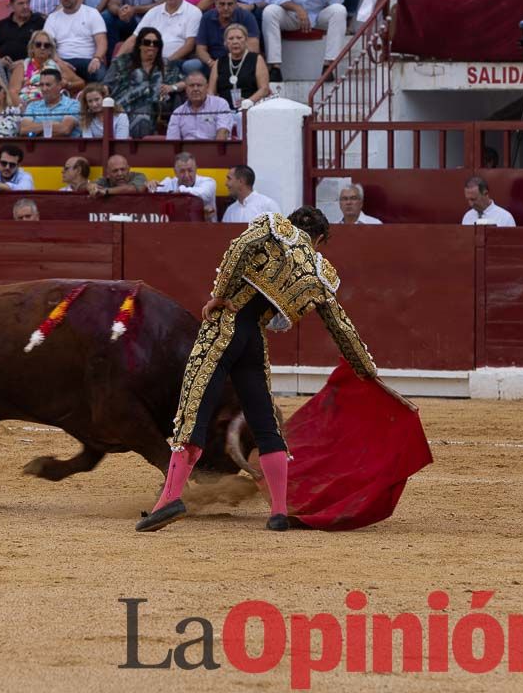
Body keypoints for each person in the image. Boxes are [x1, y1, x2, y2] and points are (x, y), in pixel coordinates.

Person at [134, 206, 377, 533]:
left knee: (194, 411)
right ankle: (278, 510)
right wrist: (367, 370)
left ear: (292, 222)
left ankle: (169, 500)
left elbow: (239, 247)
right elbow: (342, 328)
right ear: (319, 238)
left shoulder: (274, 226)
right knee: (265, 423)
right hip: (253, 341)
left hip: (223, 328)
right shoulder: (320, 273)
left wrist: (218, 297)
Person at [103, 26, 184, 138]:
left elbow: (185, 83)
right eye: (147, 42)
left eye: (156, 43)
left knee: (145, 112)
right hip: (125, 107)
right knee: (142, 113)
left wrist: (172, 87)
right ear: (139, 45)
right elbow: (106, 85)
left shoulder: (166, 65)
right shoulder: (122, 62)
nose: (151, 46)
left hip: (157, 110)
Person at [122, 0, 202, 72]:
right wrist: (116, 60)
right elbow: (134, 38)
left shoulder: (194, 12)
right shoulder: (153, 11)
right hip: (147, 60)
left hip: (175, 62)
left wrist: (166, 62)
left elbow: (189, 45)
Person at [44, 0, 108, 82]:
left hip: (88, 60)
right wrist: (59, 62)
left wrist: (97, 58)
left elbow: (102, 42)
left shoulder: (92, 13)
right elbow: (48, 47)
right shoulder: (52, 18)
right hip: (62, 61)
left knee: (99, 72)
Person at [208, 22, 270, 117]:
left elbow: (264, 89)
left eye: (239, 38)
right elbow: (211, 91)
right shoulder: (219, 62)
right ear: (226, 42)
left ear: (246, 40)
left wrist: (248, 102)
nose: (235, 42)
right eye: (231, 39)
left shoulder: (256, 59)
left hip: (250, 109)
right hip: (224, 111)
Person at [9, 29, 82, 105]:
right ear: (32, 48)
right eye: (38, 44)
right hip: (27, 105)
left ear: (50, 50)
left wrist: (67, 84)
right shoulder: (23, 66)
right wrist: (23, 109)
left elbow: (81, 83)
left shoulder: (58, 65)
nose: (42, 48)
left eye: (46, 45)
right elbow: (13, 92)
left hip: (53, 105)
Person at [196, 0, 261, 68]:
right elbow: (200, 49)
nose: (226, 8)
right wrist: (211, 63)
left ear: (236, 3)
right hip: (213, 62)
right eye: (222, 4)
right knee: (192, 65)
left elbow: (253, 49)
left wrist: (234, 64)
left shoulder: (246, 17)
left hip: (239, 63)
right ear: (215, 3)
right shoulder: (207, 17)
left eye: (230, 4)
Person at [147, 151, 218, 220]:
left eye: (190, 171)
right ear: (175, 172)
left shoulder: (209, 182)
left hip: (205, 229)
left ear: (196, 169)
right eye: (182, 171)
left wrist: (180, 191)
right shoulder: (169, 182)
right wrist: (151, 187)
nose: (186, 176)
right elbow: (153, 200)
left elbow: (205, 194)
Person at [0, 0, 48, 71]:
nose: (25, 6)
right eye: (21, 3)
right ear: (11, 5)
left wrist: (26, 62)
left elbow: (48, 49)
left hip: (32, 69)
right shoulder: (2, 24)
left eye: (27, 2)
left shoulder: (40, 22)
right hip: (4, 69)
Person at [167, 69, 232, 140]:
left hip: (213, 149)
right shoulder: (178, 113)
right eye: (191, 85)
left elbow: (222, 133)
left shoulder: (220, 104)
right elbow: (172, 141)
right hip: (187, 150)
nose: (195, 89)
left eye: (199, 85)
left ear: (207, 87)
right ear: (186, 89)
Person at [19, 68, 81, 137]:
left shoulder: (73, 104)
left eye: (48, 85)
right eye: (41, 85)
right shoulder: (32, 106)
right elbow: (23, 129)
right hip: (38, 147)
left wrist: (35, 131)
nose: (44, 89)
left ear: (59, 85)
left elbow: (64, 130)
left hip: (66, 147)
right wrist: (52, 124)